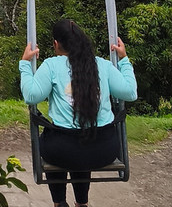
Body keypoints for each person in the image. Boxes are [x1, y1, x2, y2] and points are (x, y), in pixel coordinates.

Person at [19, 18, 137, 207]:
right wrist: (124, 60)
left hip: (62, 151)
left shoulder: (51, 66)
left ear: (56, 44)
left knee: (58, 141)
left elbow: (31, 96)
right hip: (104, 150)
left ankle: (59, 202)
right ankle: (82, 203)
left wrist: (25, 65)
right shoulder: (103, 65)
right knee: (82, 141)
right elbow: (130, 92)